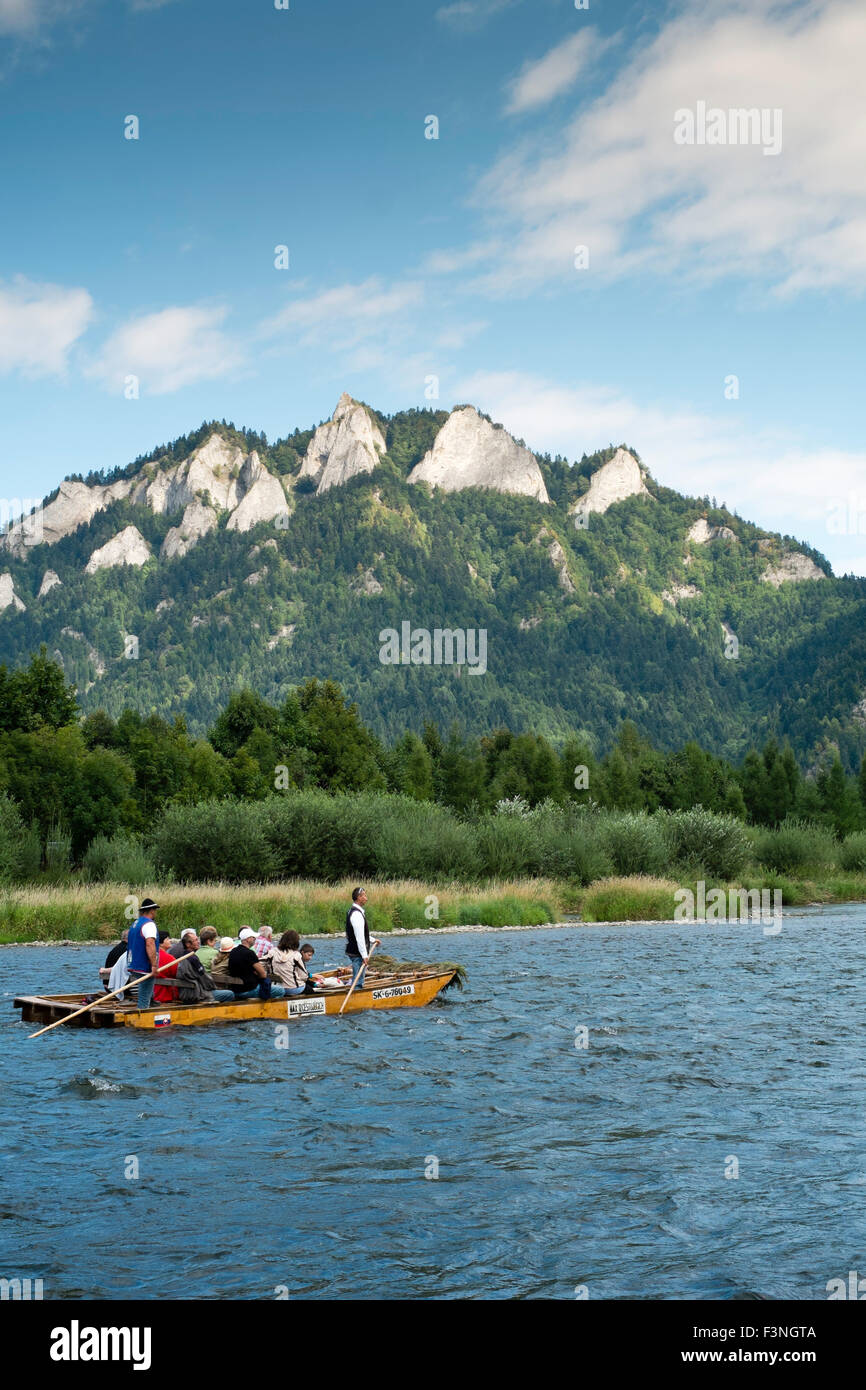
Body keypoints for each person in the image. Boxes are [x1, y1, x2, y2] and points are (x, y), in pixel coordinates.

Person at [228, 927, 287, 1001]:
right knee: (281, 991)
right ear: (248, 939)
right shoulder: (249, 953)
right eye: (253, 938)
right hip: (249, 989)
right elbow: (263, 974)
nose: (255, 939)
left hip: (235, 989)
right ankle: (267, 1010)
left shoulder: (233, 951)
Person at [126, 898, 161, 1009]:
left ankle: (151, 1003)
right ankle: (143, 1015)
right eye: (155, 910)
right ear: (151, 911)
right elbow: (150, 944)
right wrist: (154, 965)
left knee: (147, 991)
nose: (155, 913)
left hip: (133, 963)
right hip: (143, 965)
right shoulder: (149, 925)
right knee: (144, 997)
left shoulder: (135, 923)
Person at [345, 887, 379, 989]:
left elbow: (361, 933)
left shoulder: (356, 911)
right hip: (357, 952)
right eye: (364, 895)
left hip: (355, 950)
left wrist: (372, 940)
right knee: (358, 980)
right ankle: (356, 998)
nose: (366, 898)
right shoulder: (356, 914)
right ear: (358, 897)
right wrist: (364, 955)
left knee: (358, 978)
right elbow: (359, 937)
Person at [271, 930, 309, 997]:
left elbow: (261, 965)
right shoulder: (296, 955)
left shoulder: (271, 952)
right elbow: (304, 976)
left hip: (276, 988)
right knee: (310, 990)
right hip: (294, 989)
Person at [153, 932, 180, 1005]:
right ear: (161, 943)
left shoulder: (151, 955)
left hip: (152, 992)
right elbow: (177, 973)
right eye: (167, 939)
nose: (170, 941)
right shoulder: (168, 958)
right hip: (164, 994)